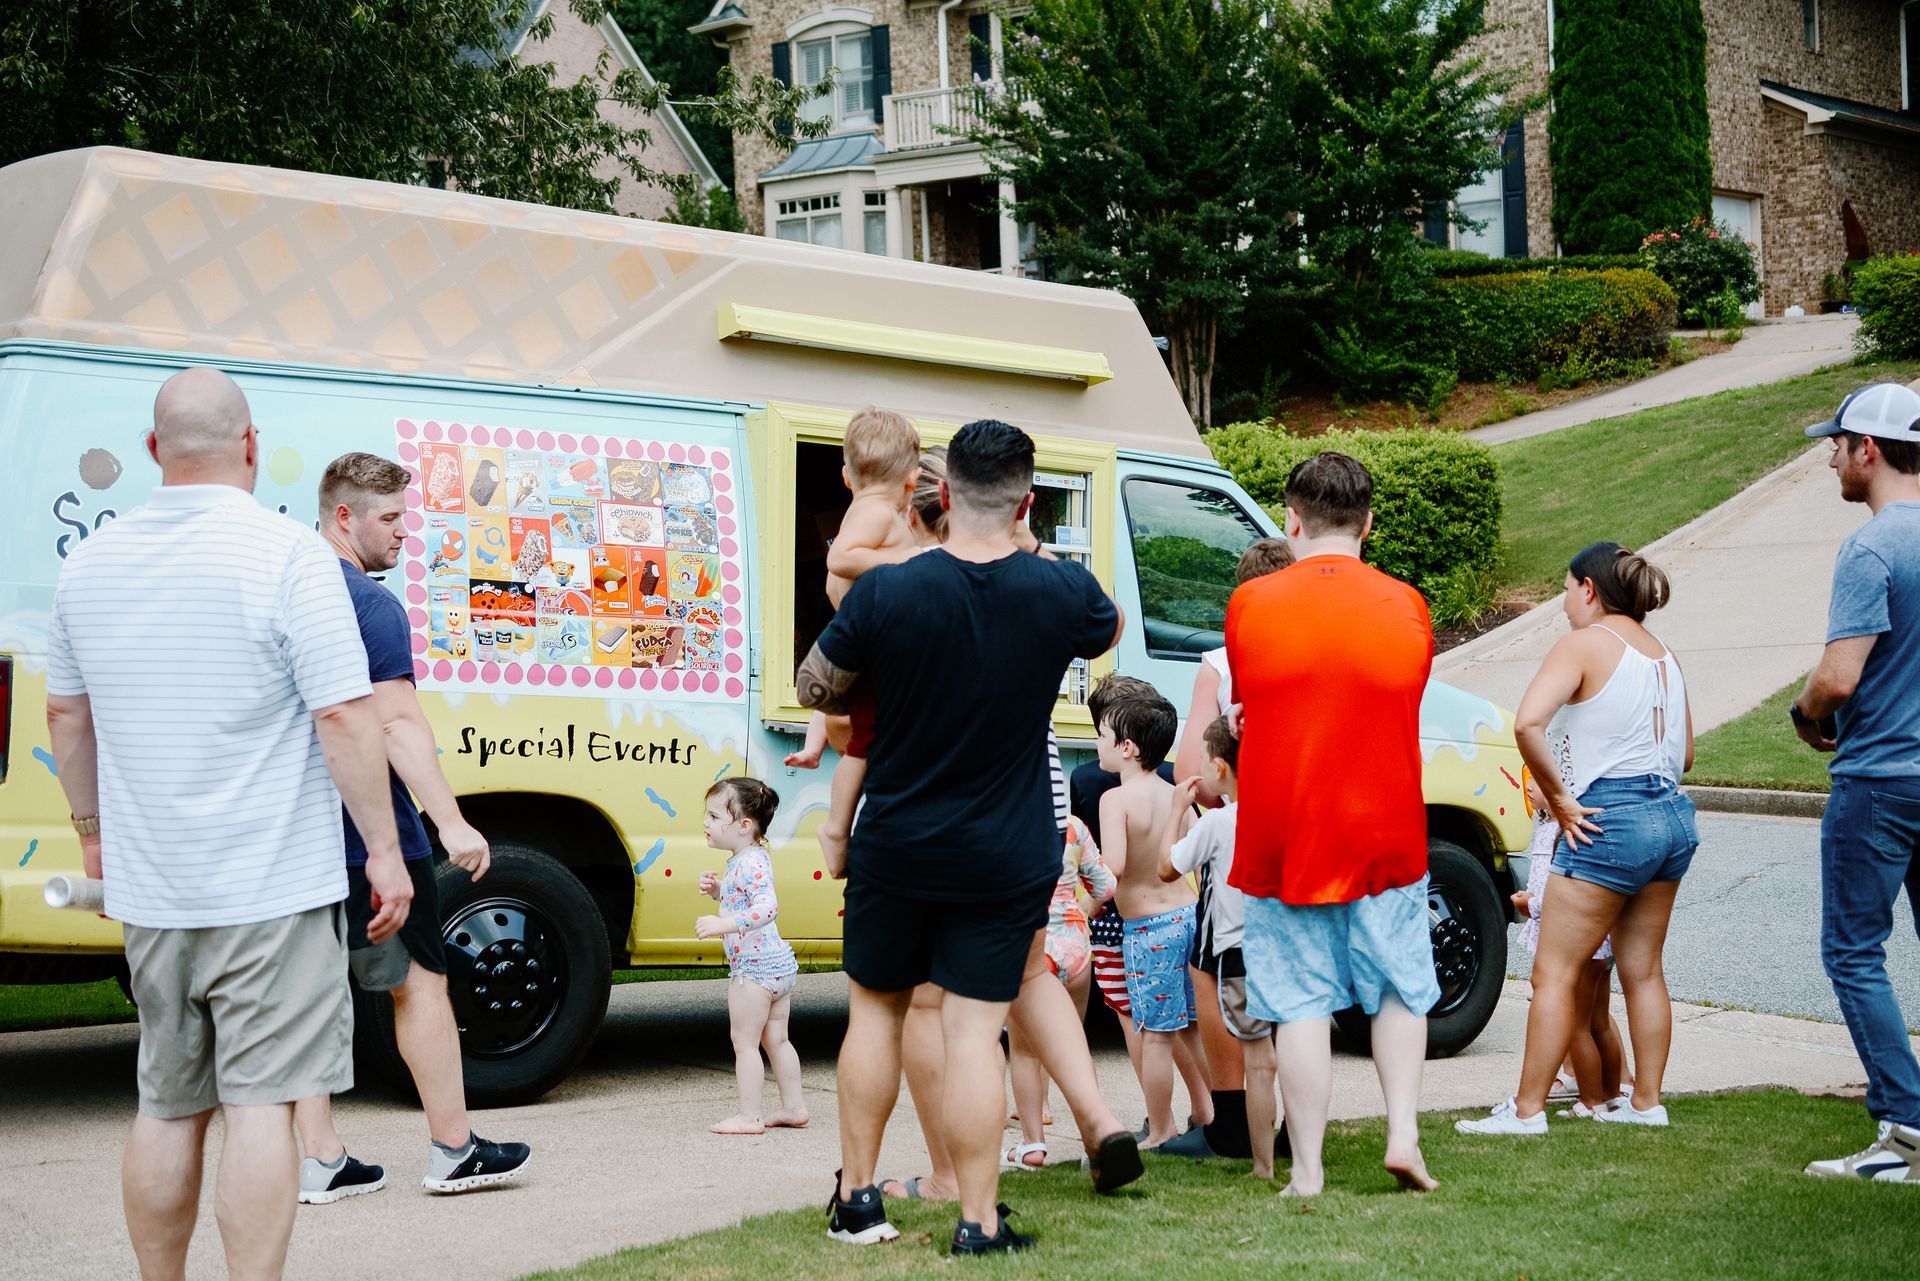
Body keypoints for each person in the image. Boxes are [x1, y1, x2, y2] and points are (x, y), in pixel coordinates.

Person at [43, 367, 412, 1279]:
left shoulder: (87, 563)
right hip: (275, 891)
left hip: (156, 893)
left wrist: (95, 840)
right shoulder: (287, 557)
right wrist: (385, 852)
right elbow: (345, 717)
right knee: (262, 1106)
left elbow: (66, 718)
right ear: (250, 445)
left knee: (166, 1105)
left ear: (153, 450)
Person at [798, 419, 1128, 1255]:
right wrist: (1033, 546)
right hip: (1007, 846)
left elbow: (816, 683)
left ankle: (858, 1201)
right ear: (1025, 501)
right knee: (976, 1030)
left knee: (875, 1010)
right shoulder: (1060, 591)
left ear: (941, 495)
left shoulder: (888, 591)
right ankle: (979, 1221)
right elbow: (1109, 624)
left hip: (898, 839)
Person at [293, 453, 531, 1203]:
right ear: (344, 517)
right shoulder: (367, 604)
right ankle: (454, 1148)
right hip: (372, 838)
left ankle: (320, 1159)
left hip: (290, 838)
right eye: (390, 518)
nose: (404, 533)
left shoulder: (282, 588)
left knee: (305, 995)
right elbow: (395, 723)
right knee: (420, 985)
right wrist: (454, 820)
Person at [1227, 451, 1439, 1196]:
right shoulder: (1408, 604)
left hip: (1285, 830)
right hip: (1384, 825)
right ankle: (1404, 1133)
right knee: (1399, 990)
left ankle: (1309, 1169)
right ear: (1368, 523)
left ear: (1291, 521)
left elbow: (1257, 700)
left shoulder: (1250, 605)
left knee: (1300, 1003)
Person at [1459, 541, 1695, 1138]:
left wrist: (1560, 798)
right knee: (1643, 971)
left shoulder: (1585, 643)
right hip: (1671, 816)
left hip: (1608, 818)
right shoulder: (1665, 654)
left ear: (1589, 589)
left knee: (1554, 973)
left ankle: (1528, 1110)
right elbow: (1686, 755)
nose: (1563, 603)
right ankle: (1646, 1103)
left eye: (1566, 590)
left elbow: (1527, 721)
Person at [1791, 381, 1920, 1183]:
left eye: (1836, 444)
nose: (1832, 458)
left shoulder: (1872, 547)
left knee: (1853, 951)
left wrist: (1804, 716)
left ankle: (1905, 1128)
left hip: (1880, 778)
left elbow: (1838, 679)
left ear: (1867, 450)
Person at [1163, 537, 1294, 1161]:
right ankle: (1298, 1120)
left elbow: (1191, 766)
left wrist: (1216, 810)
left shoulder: (1219, 665)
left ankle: (1230, 1123)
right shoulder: (1313, 658)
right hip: (1303, 842)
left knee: (1211, 968)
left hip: (1239, 850)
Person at [783, 407, 923, 873]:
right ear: (912, 479)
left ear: (845, 475)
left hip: (858, 639)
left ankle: (815, 750)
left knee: (855, 724)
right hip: (868, 641)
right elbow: (842, 559)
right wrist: (913, 564)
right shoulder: (877, 511)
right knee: (863, 744)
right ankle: (837, 828)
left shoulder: (869, 509)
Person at [1160, 716, 1283, 1177]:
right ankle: (1294, 1137)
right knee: (1281, 1053)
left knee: (1257, 1061)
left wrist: (1177, 810)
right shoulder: (1282, 810)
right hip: (1283, 947)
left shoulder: (1216, 822)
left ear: (1221, 769)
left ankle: (1260, 1162)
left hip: (1235, 951)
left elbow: (1166, 869)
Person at [1099, 691, 1211, 1150]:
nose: (1097, 743)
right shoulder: (1175, 796)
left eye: (1102, 735)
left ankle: (1161, 1127)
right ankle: (1211, 1108)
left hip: (1149, 931)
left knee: (1157, 1035)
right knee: (1190, 1025)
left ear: (1128, 747)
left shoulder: (1114, 800)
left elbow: (1115, 867)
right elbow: (1188, 861)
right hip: (1187, 915)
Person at [1511, 774, 1630, 1118]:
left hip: (1573, 940)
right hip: (1599, 941)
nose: (1529, 787)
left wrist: (1529, 906)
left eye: (1537, 781)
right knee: (1598, 1022)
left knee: (1576, 1025)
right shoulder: (1576, 827)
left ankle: (1591, 1101)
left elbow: (1556, 892)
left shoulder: (1560, 833)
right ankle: (1615, 1094)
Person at [696, 777, 808, 1136]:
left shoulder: (746, 863)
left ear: (744, 825)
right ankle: (794, 1108)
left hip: (754, 972)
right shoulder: (751, 857)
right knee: (777, 1040)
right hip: (778, 967)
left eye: (714, 817)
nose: (706, 823)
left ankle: (749, 1116)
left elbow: (766, 908)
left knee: (744, 1044)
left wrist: (723, 924)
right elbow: (744, 894)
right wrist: (719, 890)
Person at [1004, 815, 1115, 1170]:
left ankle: (1033, 1145)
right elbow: (1106, 885)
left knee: (1024, 1052)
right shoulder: (1072, 826)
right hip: (1074, 944)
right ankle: (1093, 1144)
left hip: (1030, 944)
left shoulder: (1006, 818)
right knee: (1074, 1048)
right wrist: (1080, 909)